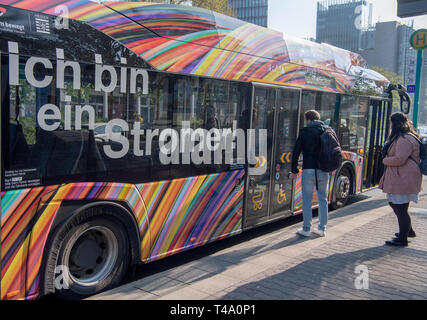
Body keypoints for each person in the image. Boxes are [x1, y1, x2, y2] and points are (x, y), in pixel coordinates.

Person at [379, 112, 423, 247]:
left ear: (394, 123)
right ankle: (407, 231)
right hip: (403, 176)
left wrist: (385, 160)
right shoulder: (407, 136)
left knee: (400, 207)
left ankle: (403, 238)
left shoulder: (404, 139)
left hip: (403, 176)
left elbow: (400, 159)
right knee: (398, 205)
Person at [291, 110, 329, 237]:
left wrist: (295, 169)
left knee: (307, 199)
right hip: (323, 169)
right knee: (322, 198)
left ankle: (306, 229)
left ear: (308, 120)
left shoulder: (305, 132)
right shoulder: (326, 130)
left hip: (308, 169)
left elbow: (296, 151)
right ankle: (322, 229)